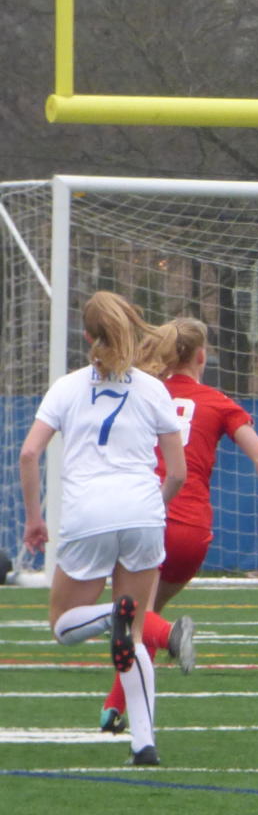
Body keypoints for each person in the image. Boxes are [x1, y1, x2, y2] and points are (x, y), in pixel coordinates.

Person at [96, 317, 258, 735]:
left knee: (132, 617)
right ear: (202, 356)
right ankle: (114, 708)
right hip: (193, 532)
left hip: (145, 517)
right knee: (139, 619)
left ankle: (170, 636)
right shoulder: (219, 402)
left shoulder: (143, 392)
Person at [18, 291, 187, 766]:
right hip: (143, 513)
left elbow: (29, 453)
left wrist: (36, 519)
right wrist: (152, 507)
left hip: (89, 514)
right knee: (134, 636)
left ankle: (109, 617)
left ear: (88, 336)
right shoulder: (154, 389)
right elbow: (176, 472)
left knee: (63, 627)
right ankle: (144, 743)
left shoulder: (68, 387)